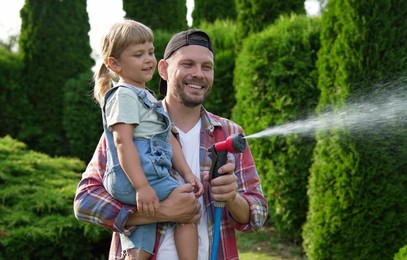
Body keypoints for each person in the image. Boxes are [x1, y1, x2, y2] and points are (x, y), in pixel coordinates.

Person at [74, 28, 268, 260]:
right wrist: (160, 212)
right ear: (164, 69)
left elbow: (258, 213)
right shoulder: (130, 126)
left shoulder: (229, 133)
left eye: (207, 67)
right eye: (187, 64)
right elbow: (85, 202)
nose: (199, 74)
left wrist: (232, 198)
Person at [91, 19, 203, 260]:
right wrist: (142, 187)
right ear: (115, 64)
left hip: (145, 177)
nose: (149, 59)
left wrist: (187, 173)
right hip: (135, 178)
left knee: (145, 224)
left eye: (151, 52)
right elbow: (123, 142)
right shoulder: (124, 95)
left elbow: (167, 139)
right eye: (138, 54)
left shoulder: (146, 97)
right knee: (189, 208)